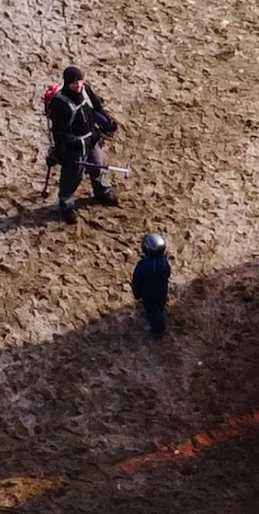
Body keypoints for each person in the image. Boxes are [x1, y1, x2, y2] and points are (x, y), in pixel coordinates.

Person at [44, 65, 117, 223]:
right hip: (73, 147)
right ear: (67, 83)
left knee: (97, 167)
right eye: (73, 83)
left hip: (91, 139)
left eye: (79, 81)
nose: (78, 85)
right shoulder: (59, 104)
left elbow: (97, 108)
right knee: (72, 176)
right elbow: (57, 131)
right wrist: (61, 153)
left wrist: (107, 122)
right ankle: (66, 204)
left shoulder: (86, 90)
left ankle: (102, 192)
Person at [130, 233, 171, 339]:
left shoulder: (143, 264)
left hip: (149, 293)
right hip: (162, 289)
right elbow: (167, 272)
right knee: (159, 305)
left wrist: (136, 292)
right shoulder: (163, 260)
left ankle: (158, 330)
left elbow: (137, 280)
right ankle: (159, 315)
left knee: (152, 310)